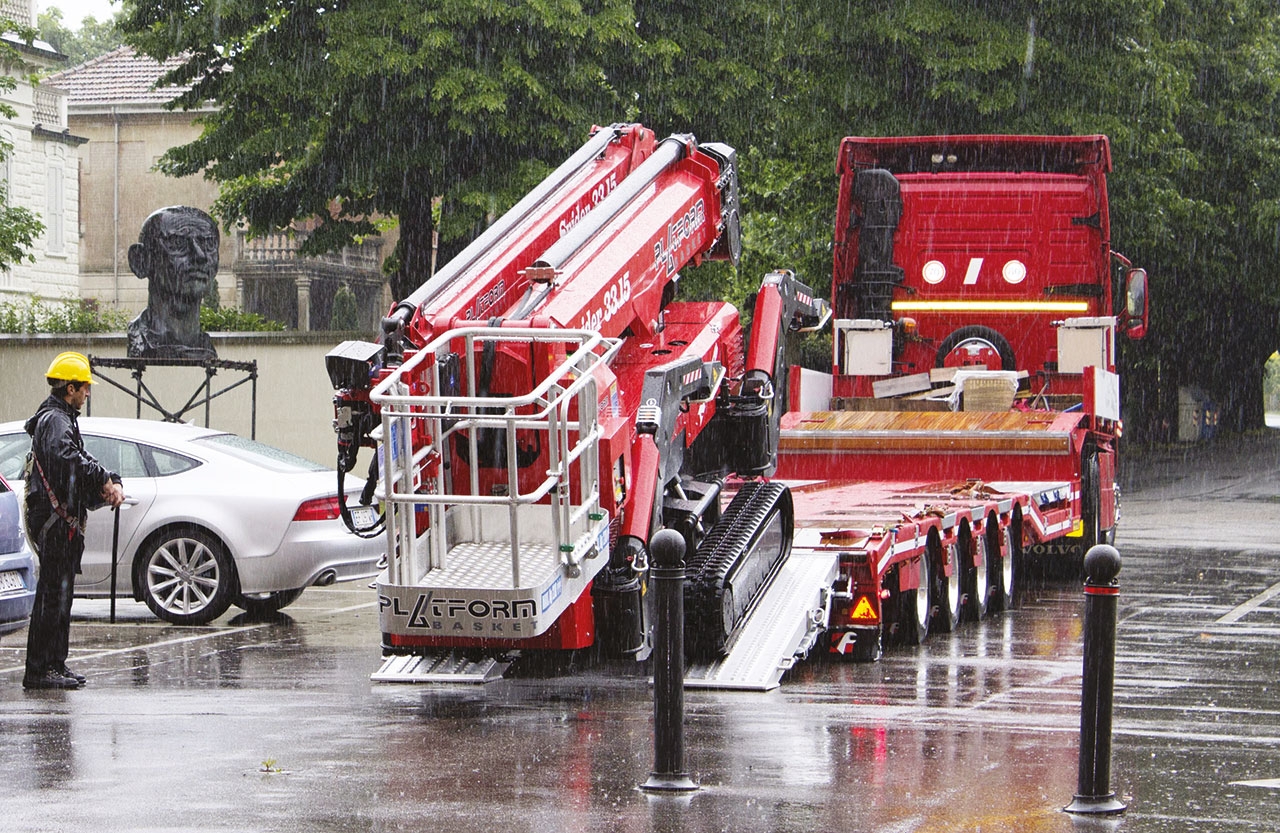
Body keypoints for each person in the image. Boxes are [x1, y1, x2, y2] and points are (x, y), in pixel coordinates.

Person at [23, 352, 125, 690]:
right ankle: (40, 670)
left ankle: (54, 663)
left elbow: (77, 460)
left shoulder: (60, 418)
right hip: (55, 521)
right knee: (53, 595)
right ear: (70, 388)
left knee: (60, 594)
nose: (87, 393)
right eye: (84, 387)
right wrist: (103, 479)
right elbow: (69, 458)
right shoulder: (55, 420)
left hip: (59, 520)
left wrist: (107, 478)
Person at [126, 205, 219, 360]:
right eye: (177, 243)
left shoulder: (204, 347)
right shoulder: (142, 343)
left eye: (209, 244)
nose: (200, 255)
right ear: (141, 261)